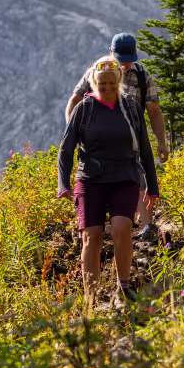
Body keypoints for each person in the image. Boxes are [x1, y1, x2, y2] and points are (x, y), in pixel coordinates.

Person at [57, 55, 160, 311]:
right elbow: (66, 149)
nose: (106, 88)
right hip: (90, 180)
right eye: (101, 84)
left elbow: (145, 149)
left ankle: (123, 287)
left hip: (124, 177)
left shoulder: (131, 108)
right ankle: (90, 298)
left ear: (119, 81)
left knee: (122, 227)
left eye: (111, 84)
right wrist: (63, 184)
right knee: (91, 237)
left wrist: (152, 186)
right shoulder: (85, 109)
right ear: (94, 83)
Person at [65, 33, 168, 238]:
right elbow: (74, 102)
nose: (126, 65)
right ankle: (99, 226)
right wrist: (74, 132)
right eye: (122, 60)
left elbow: (154, 111)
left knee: (139, 177)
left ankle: (146, 227)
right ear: (111, 54)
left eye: (130, 61)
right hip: (98, 143)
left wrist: (161, 142)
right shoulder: (96, 72)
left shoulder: (141, 75)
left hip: (131, 138)